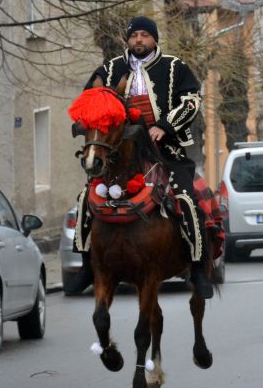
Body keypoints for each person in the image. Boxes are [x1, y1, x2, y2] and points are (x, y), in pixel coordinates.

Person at [67, 16, 213, 298]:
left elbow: (191, 101)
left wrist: (164, 126)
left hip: (166, 151)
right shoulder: (110, 70)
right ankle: (86, 264)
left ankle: (197, 266)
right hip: (118, 153)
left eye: (145, 35)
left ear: (154, 39)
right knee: (87, 197)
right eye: (134, 36)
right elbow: (90, 100)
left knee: (186, 197)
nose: (139, 40)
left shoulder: (174, 67)